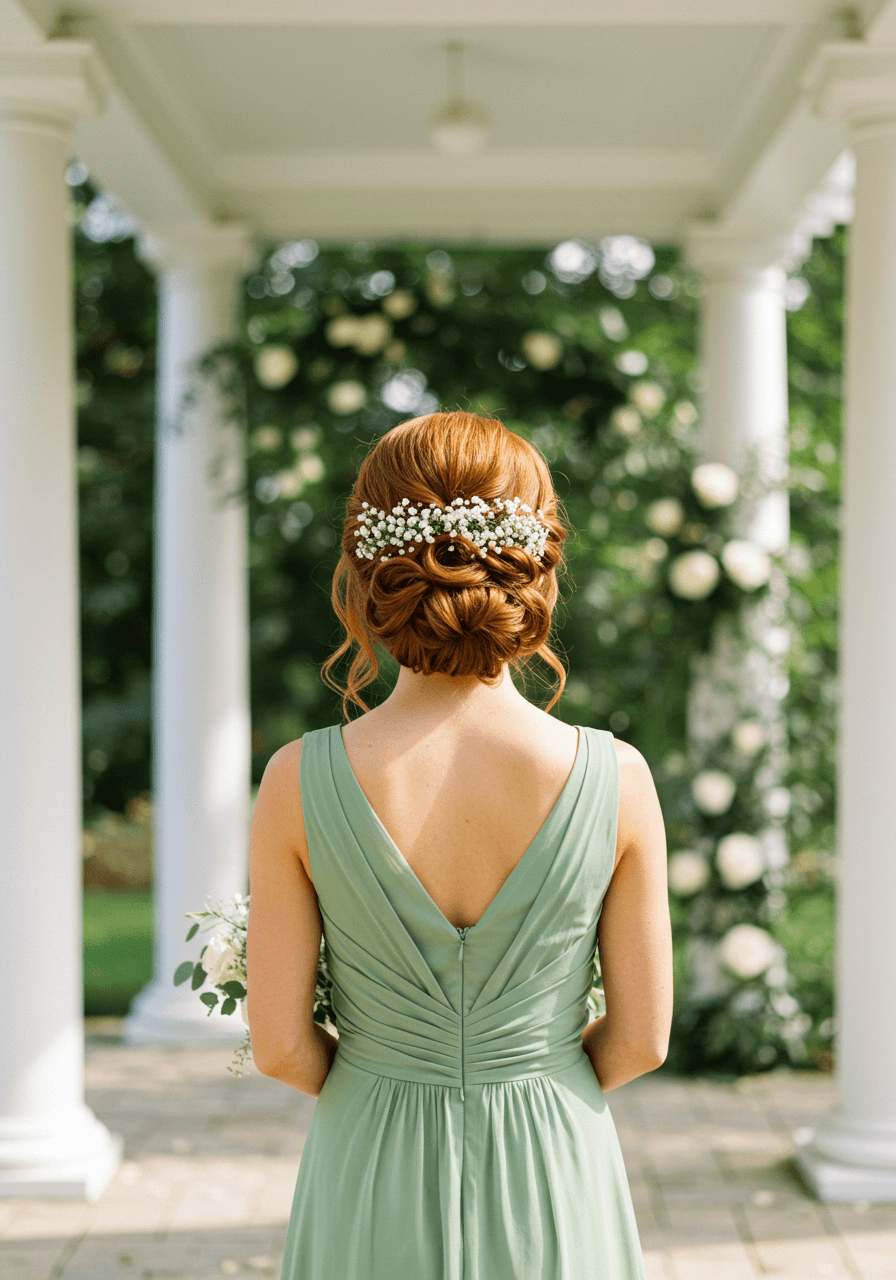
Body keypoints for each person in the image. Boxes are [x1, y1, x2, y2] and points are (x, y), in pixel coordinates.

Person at [246, 410, 673, 1280]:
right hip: (554, 1160)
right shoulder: (618, 777)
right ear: (536, 564)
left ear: (366, 570)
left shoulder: (297, 778)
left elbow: (281, 1047)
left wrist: (387, 1078)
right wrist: (533, 1074)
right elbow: (642, 1040)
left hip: (369, 1157)